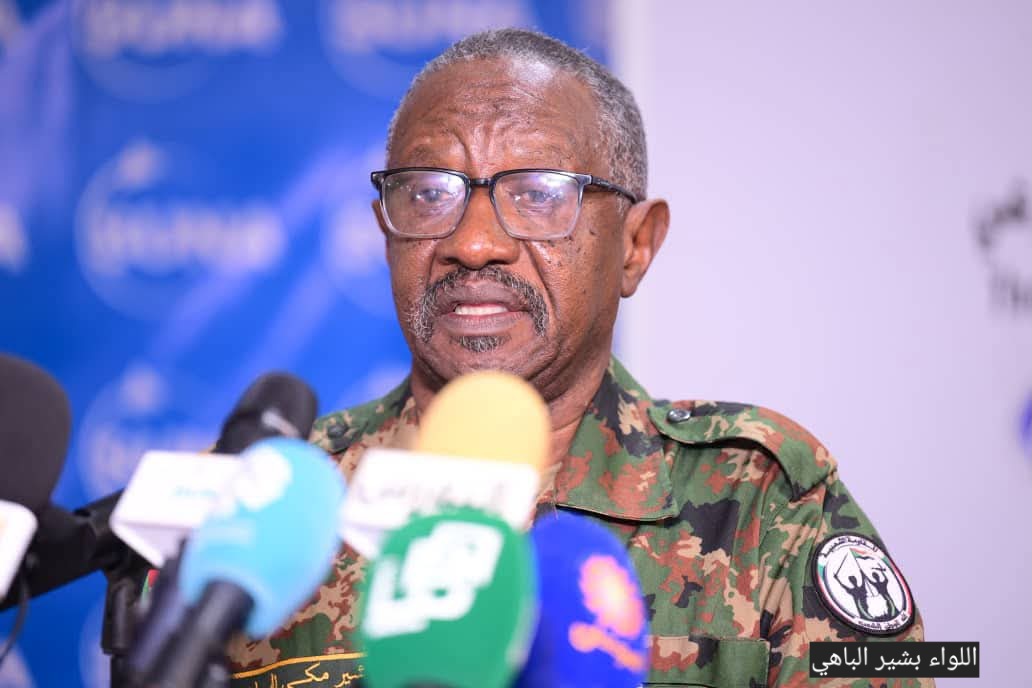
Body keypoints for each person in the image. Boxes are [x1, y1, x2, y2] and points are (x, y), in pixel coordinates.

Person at [224, 28, 932, 687]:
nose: (473, 243)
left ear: (636, 245)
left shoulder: (760, 502)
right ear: (386, 232)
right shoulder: (272, 515)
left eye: (538, 194)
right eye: (430, 193)